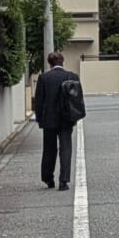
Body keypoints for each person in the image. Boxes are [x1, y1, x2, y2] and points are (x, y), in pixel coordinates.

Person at [33, 51, 82, 191]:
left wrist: (39, 118)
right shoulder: (72, 76)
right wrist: (75, 116)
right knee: (65, 148)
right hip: (66, 118)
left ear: (49, 63)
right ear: (63, 62)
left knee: (49, 149)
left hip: (48, 119)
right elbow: (78, 99)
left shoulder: (44, 78)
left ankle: (48, 179)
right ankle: (64, 181)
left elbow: (39, 100)